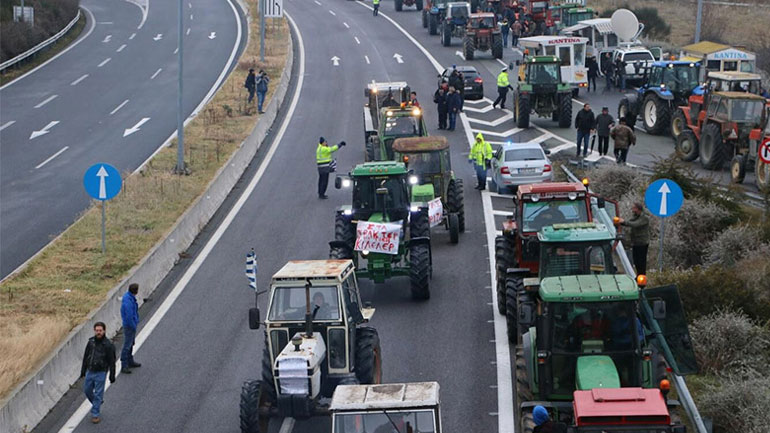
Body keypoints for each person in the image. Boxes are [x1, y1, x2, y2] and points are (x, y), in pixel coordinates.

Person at [80, 322, 116, 424]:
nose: (98, 332)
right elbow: (86, 356)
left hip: (101, 373)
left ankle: (95, 414)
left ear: (104, 331)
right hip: (90, 371)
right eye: (97, 330)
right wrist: (83, 370)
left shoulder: (108, 345)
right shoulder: (91, 342)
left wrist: (112, 375)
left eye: (100, 330)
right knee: (87, 390)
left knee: (98, 393)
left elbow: (112, 361)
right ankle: (97, 401)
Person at [619, 202, 650, 276]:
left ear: (637, 208)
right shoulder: (636, 216)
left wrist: (624, 222)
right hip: (635, 242)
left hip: (642, 243)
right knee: (636, 261)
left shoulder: (645, 218)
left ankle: (642, 277)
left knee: (641, 262)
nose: (632, 210)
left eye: (633, 208)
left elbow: (635, 224)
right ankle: (638, 276)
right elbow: (630, 221)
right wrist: (622, 223)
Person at [120, 283, 141, 373]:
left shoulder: (128, 298)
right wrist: (133, 325)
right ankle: (124, 365)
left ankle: (129, 360)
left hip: (130, 325)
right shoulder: (129, 301)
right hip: (129, 326)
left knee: (130, 343)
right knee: (127, 345)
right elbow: (129, 316)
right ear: (136, 291)